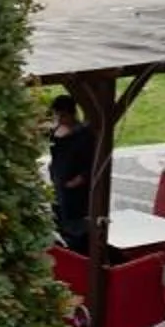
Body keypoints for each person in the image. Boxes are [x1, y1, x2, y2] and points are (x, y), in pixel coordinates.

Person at [48, 93, 96, 253]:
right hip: (59, 183)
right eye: (57, 115)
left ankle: (78, 252)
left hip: (76, 188)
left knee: (76, 224)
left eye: (63, 115)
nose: (60, 119)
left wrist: (77, 181)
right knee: (59, 218)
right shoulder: (56, 131)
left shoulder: (83, 135)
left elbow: (90, 163)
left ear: (71, 113)